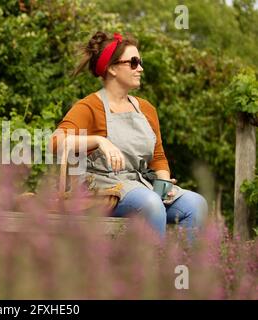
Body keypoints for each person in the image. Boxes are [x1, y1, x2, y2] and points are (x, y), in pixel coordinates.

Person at [50, 31, 207, 239]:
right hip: (104, 189)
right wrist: (99, 140)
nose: (140, 68)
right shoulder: (89, 106)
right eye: (133, 62)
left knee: (197, 205)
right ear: (113, 68)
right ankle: (149, 269)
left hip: (141, 184)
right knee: (151, 203)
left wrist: (164, 184)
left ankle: (183, 267)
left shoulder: (146, 108)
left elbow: (158, 157)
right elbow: (56, 143)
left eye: (140, 62)